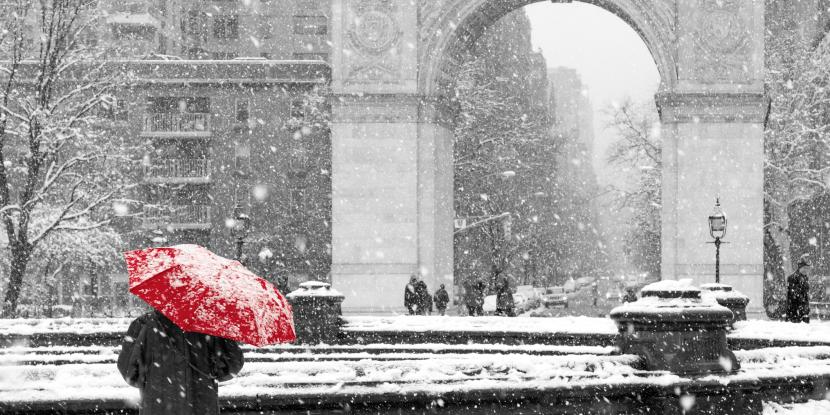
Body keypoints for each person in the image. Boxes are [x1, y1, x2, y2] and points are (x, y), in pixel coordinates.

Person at [117, 309, 244, 415]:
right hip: (201, 405)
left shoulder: (143, 324)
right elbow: (231, 365)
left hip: (157, 405)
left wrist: (154, 380)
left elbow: (129, 372)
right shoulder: (210, 324)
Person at [787, 256, 812, 323]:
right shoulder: (792, 277)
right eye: (804, 268)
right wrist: (803, 307)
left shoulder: (805, 277)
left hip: (804, 312)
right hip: (795, 313)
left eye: (807, 268)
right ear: (800, 267)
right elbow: (794, 295)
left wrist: (806, 309)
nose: (806, 270)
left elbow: (805, 294)